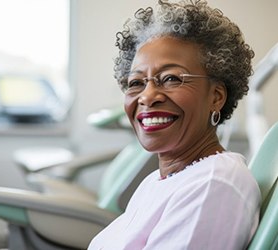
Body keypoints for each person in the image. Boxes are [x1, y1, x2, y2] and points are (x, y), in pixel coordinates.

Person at [88, 0, 261, 249]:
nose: (147, 97)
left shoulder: (212, 185)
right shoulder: (157, 182)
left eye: (170, 78)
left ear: (216, 96)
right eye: (136, 83)